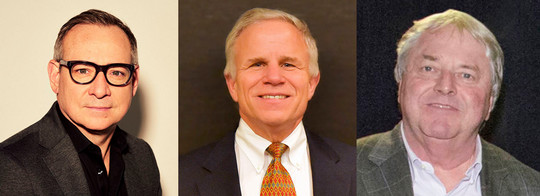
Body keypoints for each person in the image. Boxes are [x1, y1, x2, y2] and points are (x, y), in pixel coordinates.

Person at [356, 9, 540, 195]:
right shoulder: (345, 169)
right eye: (429, 68)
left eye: (466, 75)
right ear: (400, 83)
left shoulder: (530, 188)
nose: (445, 86)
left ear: (491, 101)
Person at [180, 8, 355, 195]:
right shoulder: (183, 176)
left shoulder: (354, 166)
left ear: (312, 83)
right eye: (257, 64)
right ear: (233, 84)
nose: (273, 77)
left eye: (288, 64)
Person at [0, 9, 161, 195]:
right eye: (83, 71)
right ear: (55, 76)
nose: (100, 90)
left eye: (116, 72)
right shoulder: (10, 166)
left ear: (133, 81)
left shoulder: (142, 156)